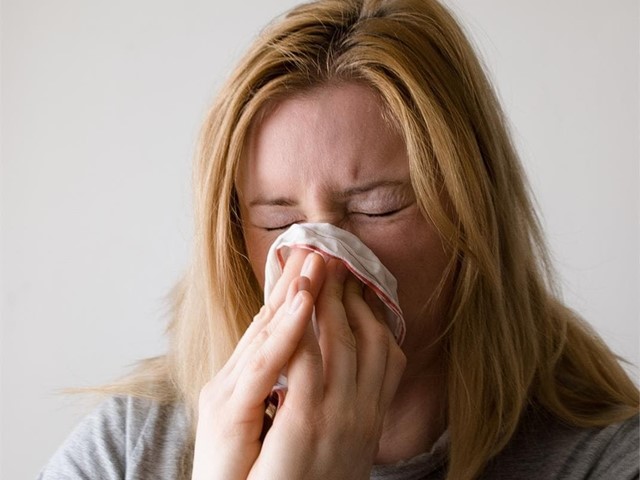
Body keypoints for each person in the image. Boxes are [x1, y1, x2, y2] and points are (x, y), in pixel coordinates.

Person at [39, 0, 639, 479]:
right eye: (276, 223)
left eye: (379, 208)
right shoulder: (125, 453)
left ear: (474, 219)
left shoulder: (605, 460)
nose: (313, 270)